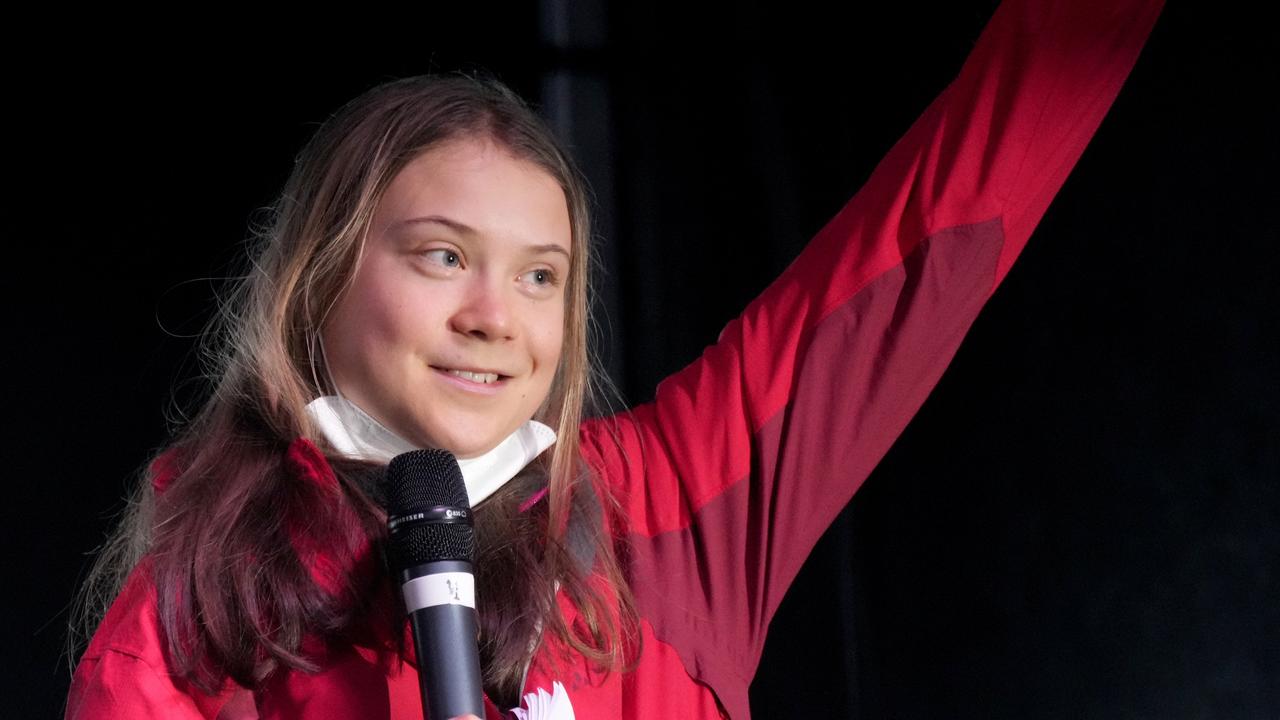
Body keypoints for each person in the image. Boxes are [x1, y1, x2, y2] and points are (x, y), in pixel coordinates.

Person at [66, 0, 1164, 717]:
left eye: (540, 275)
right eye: (444, 256)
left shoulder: (664, 508)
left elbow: (950, 209)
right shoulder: (194, 627)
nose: (495, 316)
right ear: (323, 279)